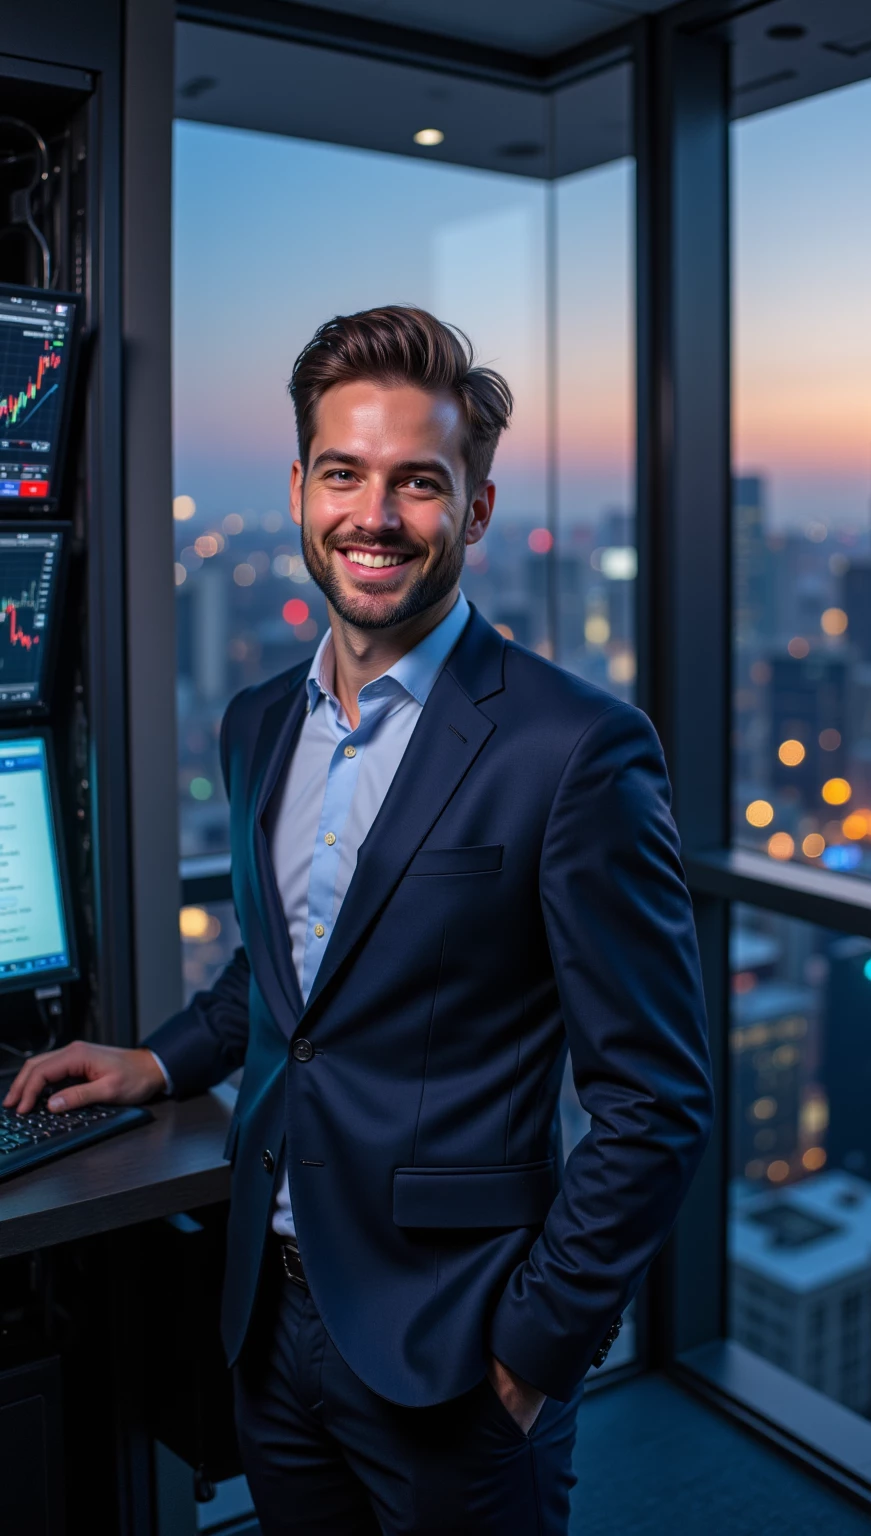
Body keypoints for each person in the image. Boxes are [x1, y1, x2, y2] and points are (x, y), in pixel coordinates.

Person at [4, 306, 714, 1535]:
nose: (373, 516)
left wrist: (534, 1351)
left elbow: (656, 1097)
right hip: (268, 1324)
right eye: (344, 473)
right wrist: (161, 1057)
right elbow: (291, 977)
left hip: (458, 1352)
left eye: (418, 484)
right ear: (298, 487)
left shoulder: (575, 750)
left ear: (475, 510)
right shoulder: (257, 723)